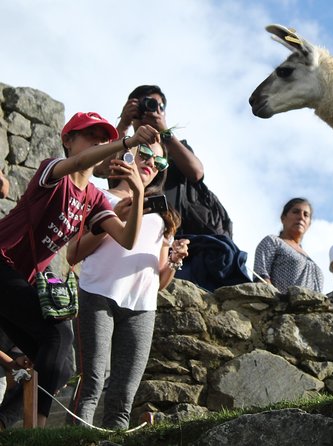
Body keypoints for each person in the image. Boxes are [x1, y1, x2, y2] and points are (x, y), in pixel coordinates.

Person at [0, 111, 158, 427]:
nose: (101, 144)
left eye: (105, 139)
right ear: (67, 141)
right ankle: (38, 430)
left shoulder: (95, 198)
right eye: (92, 137)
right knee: (57, 335)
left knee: (58, 364)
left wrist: (138, 191)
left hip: (20, 280)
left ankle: (8, 424)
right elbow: (75, 165)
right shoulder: (51, 171)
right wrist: (126, 141)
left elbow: (126, 239)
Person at [68, 140, 188, 429]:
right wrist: (114, 219)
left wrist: (173, 259)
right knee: (92, 381)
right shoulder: (97, 197)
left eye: (159, 163)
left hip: (142, 308)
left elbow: (159, 281)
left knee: (123, 396)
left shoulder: (163, 216)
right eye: (145, 154)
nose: (150, 164)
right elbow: (74, 253)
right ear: (125, 155)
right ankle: (73, 438)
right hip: (97, 294)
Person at [99, 84, 232, 237]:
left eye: (159, 107)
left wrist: (165, 132)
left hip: (182, 233)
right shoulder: (126, 146)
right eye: (147, 104)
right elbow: (102, 169)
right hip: (132, 227)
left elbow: (197, 173)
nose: (151, 162)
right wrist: (124, 123)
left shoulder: (174, 147)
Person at [254, 198, 324, 293]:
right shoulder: (273, 242)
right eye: (296, 212)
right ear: (283, 218)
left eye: (306, 215)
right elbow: (260, 275)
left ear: (309, 223)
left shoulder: (309, 259)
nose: (301, 217)